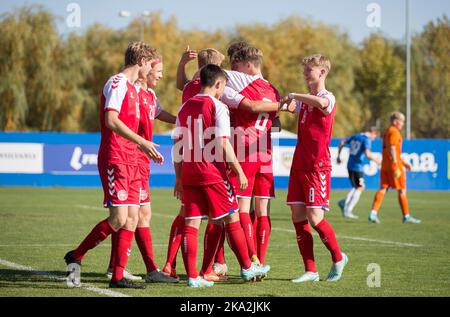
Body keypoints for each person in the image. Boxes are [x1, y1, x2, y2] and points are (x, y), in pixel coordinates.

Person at [64, 42, 163, 289]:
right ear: (141, 61)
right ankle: (76, 255)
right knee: (119, 218)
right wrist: (142, 141)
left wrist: (143, 147)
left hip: (131, 158)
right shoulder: (117, 83)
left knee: (131, 218)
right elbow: (111, 120)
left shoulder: (133, 89)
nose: (152, 70)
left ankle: (117, 276)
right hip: (116, 158)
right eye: (151, 65)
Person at [173, 64, 270, 288]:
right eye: (223, 87)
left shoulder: (184, 108)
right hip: (213, 173)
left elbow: (177, 145)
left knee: (191, 224)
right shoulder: (218, 107)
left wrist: (178, 177)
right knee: (232, 217)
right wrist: (238, 170)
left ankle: (192, 277)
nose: (222, 91)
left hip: (189, 173)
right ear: (218, 84)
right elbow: (222, 142)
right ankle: (247, 268)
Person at [105, 54, 179, 284]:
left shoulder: (150, 94)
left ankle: (133, 269)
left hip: (141, 159)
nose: (160, 75)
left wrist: (184, 119)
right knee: (127, 216)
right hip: (128, 158)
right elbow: (118, 122)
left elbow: (160, 114)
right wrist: (141, 147)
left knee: (139, 215)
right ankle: (113, 267)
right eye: (157, 71)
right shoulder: (130, 89)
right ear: (145, 69)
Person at [284, 54, 348, 283]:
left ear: (322, 72)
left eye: (309, 70)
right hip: (299, 164)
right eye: (304, 70)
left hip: (317, 167)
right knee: (297, 216)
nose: (305, 74)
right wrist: (284, 106)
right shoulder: (306, 99)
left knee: (315, 217)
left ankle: (338, 258)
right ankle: (311, 270)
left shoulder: (327, 97)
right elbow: (291, 107)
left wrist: (294, 96)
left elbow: (321, 104)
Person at [368, 112, 421, 224]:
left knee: (383, 189)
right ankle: (406, 216)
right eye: (402, 121)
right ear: (396, 121)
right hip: (394, 167)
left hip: (385, 165)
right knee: (402, 190)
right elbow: (392, 148)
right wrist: (397, 164)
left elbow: (390, 150)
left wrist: (403, 162)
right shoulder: (394, 131)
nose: (403, 124)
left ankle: (373, 213)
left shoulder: (387, 131)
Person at [336, 127, 381, 219]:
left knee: (357, 187)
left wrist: (338, 156)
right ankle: (348, 210)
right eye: (374, 137)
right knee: (360, 187)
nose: (373, 139)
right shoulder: (366, 139)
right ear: (373, 133)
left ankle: (344, 202)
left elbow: (342, 142)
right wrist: (377, 161)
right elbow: (368, 154)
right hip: (357, 167)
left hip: (350, 165)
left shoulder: (356, 136)